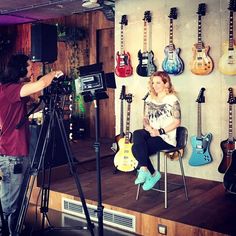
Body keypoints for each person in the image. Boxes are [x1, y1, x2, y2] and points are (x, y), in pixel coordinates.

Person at [0, 53, 63, 235]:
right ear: (20, 69)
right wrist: (55, 73)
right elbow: (41, 84)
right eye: (29, 67)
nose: (32, 69)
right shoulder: (9, 89)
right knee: (10, 202)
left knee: (19, 198)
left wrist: (49, 99)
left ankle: (16, 230)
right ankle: (7, 231)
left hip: (20, 152)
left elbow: (37, 104)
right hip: (12, 154)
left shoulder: (17, 91)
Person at [132, 71, 181, 191]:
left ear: (166, 83)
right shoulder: (150, 98)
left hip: (166, 137)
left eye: (158, 82)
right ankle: (146, 170)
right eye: (153, 83)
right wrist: (148, 126)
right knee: (137, 133)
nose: (155, 85)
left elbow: (177, 122)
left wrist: (159, 132)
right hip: (152, 132)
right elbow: (145, 118)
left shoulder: (172, 99)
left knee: (136, 149)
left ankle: (151, 173)